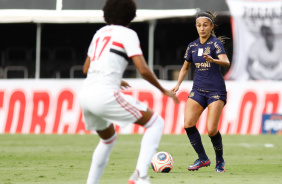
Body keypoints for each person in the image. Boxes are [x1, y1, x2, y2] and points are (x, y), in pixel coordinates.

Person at [78, 0, 179, 184]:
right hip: (104, 94)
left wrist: (115, 77)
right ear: (131, 14)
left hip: (85, 94)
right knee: (156, 123)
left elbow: (86, 68)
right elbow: (143, 69)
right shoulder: (128, 34)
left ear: (106, 13)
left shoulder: (100, 33)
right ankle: (140, 176)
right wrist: (163, 89)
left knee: (108, 140)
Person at [172, 11, 230, 173]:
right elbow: (185, 67)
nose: (202, 28)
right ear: (196, 27)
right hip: (198, 90)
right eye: (199, 25)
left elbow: (226, 62)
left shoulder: (216, 44)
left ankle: (220, 161)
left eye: (205, 25)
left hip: (216, 91)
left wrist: (214, 60)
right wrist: (177, 85)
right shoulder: (192, 46)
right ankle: (203, 158)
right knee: (188, 124)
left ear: (211, 26)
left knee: (211, 129)